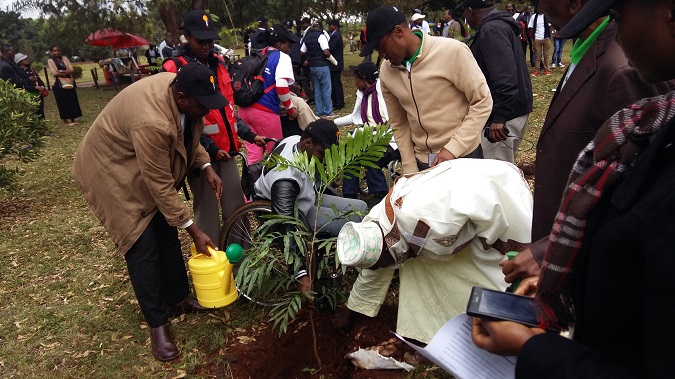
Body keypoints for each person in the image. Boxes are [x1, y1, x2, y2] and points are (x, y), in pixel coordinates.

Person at [472, 1, 675, 377]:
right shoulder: (648, 111)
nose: (617, 30)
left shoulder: (622, 70)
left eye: (618, 16)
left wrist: (533, 348)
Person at [501, 0, 675, 285]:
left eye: (619, 16)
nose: (542, 13)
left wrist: (553, 249)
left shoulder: (624, 68)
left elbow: (637, 193)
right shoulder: (588, 51)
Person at [73, 63, 225, 361]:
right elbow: (159, 184)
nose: (206, 111)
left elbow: (187, 136)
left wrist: (205, 165)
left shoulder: (183, 93)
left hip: (140, 159)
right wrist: (193, 230)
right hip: (110, 170)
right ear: (181, 98)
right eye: (202, 104)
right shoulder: (152, 121)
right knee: (142, 245)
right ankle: (158, 325)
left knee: (166, 232)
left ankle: (178, 299)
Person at [334, 158, 533, 344]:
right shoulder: (378, 222)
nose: (380, 268)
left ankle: (502, 329)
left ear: (386, 249)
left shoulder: (431, 223)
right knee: (418, 262)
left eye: (380, 264)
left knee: (501, 274)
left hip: (501, 194)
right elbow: (375, 263)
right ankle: (436, 332)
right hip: (463, 194)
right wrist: (353, 308)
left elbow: (489, 216)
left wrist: (506, 250)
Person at [162, 10, 264, 244]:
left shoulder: (219, 64)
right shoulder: (173, 68)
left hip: (227, 151)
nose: (207, 46)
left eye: (210, 41)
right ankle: (213, 265)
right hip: (199, 153)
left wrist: (248, 134)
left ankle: (242, 262)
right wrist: (207, 147)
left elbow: (226, 110)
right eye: (201, 41)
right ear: (186, 37)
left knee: (236, 205)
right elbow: (176, 121)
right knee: (207, 211)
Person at [361, 6, 492, 174]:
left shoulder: (452, 52)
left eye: (381, 47)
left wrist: (454, 147)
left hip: (463, 156)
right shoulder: (387, 71)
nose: (382, 56)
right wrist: (409, 167)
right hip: (422, 162)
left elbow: (482, 100)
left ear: (398, 32)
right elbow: (399, 123)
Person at [254, 119, 368, 290]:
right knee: (352, 224)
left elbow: (309, 172)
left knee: (361, 208)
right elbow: (286, 224)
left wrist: (324, 183)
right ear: (308, 142)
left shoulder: (294, 140)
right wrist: (300, 273)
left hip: (304, 197)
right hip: (293, 211)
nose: (324, 160)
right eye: (323, 154)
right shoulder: (285, 179)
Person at [464, 0, 533, 164]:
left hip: (504, 118)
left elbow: (505, 77)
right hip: (513, 110)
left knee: (495, 175)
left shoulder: (491, 29)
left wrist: (499, 117)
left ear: (469, 11)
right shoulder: (499, 25)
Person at [238, 25, 298, 164]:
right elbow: (282, 87)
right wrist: (290, 110)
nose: (289, 49)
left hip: (244, 111)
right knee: (277, 155)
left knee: (254, 157)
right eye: (288, 45)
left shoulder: (258, 54)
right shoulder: (281, 57)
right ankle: (275, 185)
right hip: (265, 112)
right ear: (279, 44)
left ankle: (253, 184)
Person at [335, 62, 391, 205]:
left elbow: (394, 123)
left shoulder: (384, 93)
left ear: (363, 79)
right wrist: (333, 122)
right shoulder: (363, 94)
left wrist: (374, 135)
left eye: (356, 78)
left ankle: (379, 193)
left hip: (391, 138)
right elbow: (354, 117)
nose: (354, 82)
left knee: (368, 152)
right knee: (349, 150)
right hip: (371, 136)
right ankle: (349, 194)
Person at [301, 21, 338, 117]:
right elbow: (326, 52)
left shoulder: (307, 37)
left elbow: (302, 51)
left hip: (312, 66)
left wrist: (311, 56)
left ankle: (319, 111)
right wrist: (333, 61)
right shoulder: (321, 36)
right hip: (322, 65)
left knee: (317, 89)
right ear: (321, 27)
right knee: (326, 89)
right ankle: (328, 111)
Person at [47, 45, 82, 125]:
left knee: (71, 99)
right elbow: (54, 73)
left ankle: (73, 118)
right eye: (55, 51)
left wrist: (61, 71)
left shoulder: (65, 59)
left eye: (58, 50)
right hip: (57, 83)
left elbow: (71, 70)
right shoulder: (50, 61)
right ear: (52, 52)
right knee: (62, 101)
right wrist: (65, 71)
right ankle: (65, 119)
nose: (57, 52)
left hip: (68, 81)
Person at [15, 53, 47, 119]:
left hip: (39, 93)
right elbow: (22, 84)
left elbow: (39, 79)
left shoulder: (31, 69)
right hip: (29, 94)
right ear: (20, 61)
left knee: (40, 111)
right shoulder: (18, 72)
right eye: (25, 59)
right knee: (33, 113)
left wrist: (42, 87)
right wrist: (34, 87)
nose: (27, 60)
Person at [528, 9, 552, 75]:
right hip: (537, 39)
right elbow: (531, 27)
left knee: (546, 55)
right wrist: (533, 37)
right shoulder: (534, 17)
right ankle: (536, 70)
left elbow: (550, 26)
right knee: (537, 56)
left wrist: (550, 37)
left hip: (546, 38)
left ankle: (547, 70)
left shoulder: (547, 16)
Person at [328, 20, 345, 110]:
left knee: (335, 84)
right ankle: (340, 102)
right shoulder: (337, 35)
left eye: (329, 25)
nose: (328, 27)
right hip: (337, 64)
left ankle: (337, 103)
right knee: (337, 83)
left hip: (334, 64)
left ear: (334, 26)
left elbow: (330, 49)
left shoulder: (335, 36)